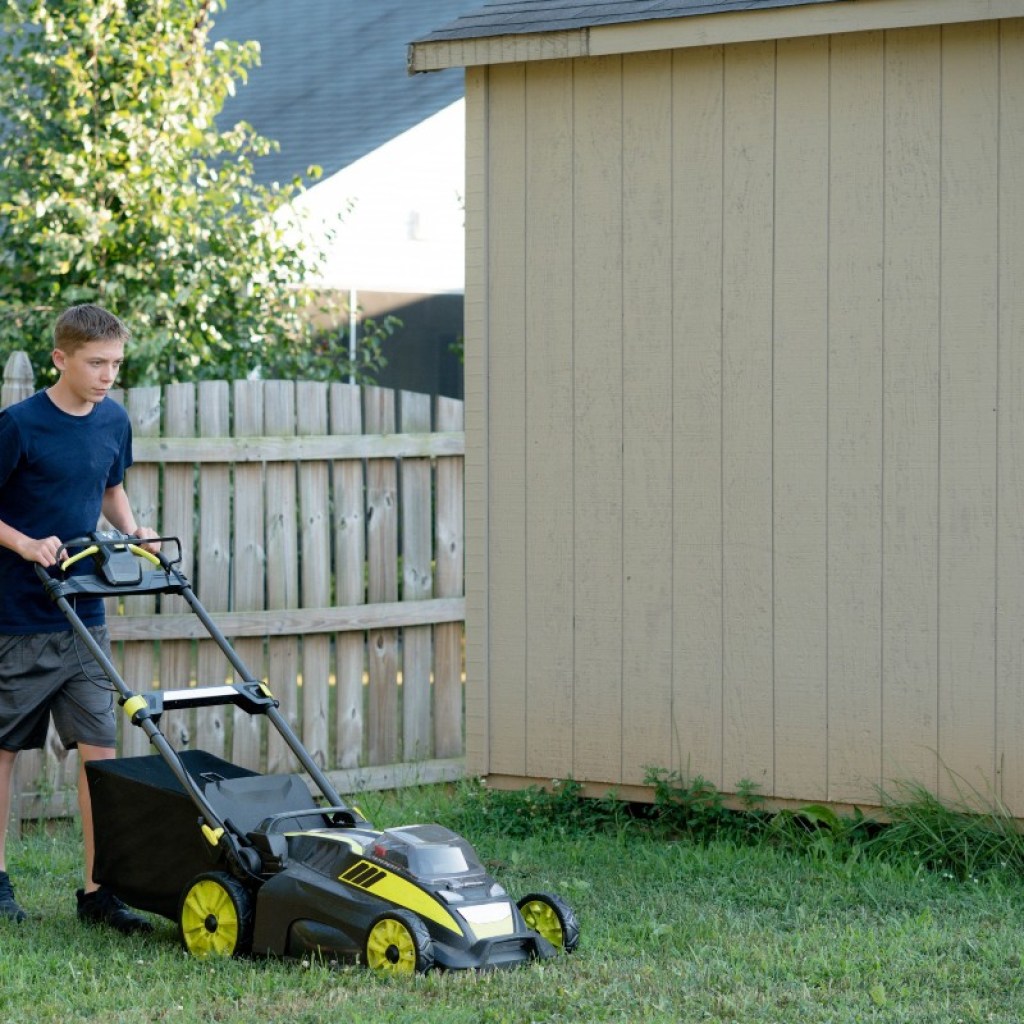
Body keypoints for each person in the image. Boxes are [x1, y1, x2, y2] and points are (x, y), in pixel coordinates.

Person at [0, 304, 158, 933]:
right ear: (60, 359)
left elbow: (109, 488)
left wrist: (133, 528)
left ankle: (98, 891)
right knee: (5, 753)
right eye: (96, 363)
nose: (107, 376)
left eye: (116, 364)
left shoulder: (114, 421)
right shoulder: (17, 426)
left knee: (101, 753)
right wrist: (24, 544)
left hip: (84, 615)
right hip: (18, 619)